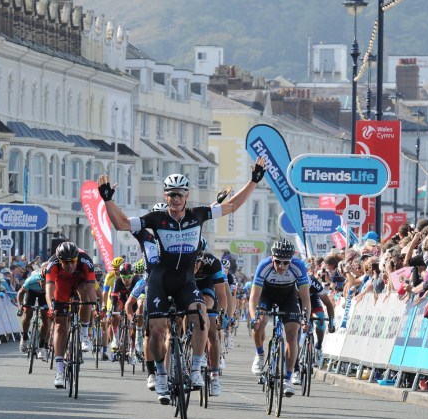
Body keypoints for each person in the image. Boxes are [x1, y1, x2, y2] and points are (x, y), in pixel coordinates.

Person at [98, 159, 266, 404]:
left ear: (186, 196)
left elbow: (232, 206)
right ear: (166, 196)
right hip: (160, 279)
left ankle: (197, 370)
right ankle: (161, 374)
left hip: (186, 281)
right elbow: (122, 224)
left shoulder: (199, 214)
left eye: (179, 194)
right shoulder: (156, 218)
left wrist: (253, 181)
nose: (175, 199)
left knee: (200, 316)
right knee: (156, 330)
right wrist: (107, 200)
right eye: (171, 195)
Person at [249, 238, 312, 397]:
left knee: (292, 335)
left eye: (285, 263)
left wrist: (306, 318)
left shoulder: (298, 267)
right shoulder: (264, 266)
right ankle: (260, 354)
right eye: (278, 262)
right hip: (267, 296)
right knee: (260, 322)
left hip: (288, 298)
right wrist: (253, 317)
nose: (281, 266)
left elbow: (305, 297)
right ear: (272, 258)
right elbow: (254, 297)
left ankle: (287, 379)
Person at [44, 242, 99, 389]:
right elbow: (49, 290)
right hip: (62, 283)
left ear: (77, 258)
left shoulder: (85, 260)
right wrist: (51, 307)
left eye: (73, 262)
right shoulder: (52, 264)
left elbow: (91, 288)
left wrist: (94, 307)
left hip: (80, 282)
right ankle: (60, 371)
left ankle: (84, 334)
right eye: (66, 263)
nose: (69, 266)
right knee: (61, 325)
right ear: (59, 260)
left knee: (85, 296)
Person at [193, 239, 229, 397]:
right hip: (187, 286)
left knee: (213, 331)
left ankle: (214, 377)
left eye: (199, 258)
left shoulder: (212, 262)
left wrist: (222, 314)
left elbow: (221, 294)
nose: (196, 262)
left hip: (207, 288)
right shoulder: (181, 259)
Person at [17, 267, 51, 359]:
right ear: (39, 280)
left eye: (46, 283)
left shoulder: (51, 284)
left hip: (45, 295)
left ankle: (41, 346)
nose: (44, 284)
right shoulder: (31, 280)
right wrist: (20, 307)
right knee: (27, 314)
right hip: (31, 292)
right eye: (42, 282)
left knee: (45, 318)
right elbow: (20, 293)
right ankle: (24, 337)